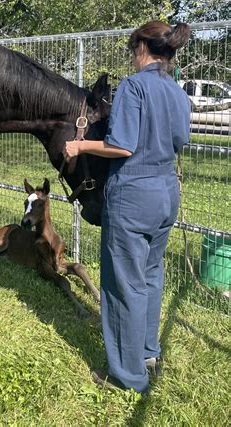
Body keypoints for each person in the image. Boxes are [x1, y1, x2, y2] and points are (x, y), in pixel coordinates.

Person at [63, 21, 191, 394]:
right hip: (167, 191)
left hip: (133, 193)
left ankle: (127, 375)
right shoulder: (177, 92)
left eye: (132, 49)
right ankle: (148, 352)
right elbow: (181, 139)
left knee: (123, 284)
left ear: (141, 48)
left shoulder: (134, 86)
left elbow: (122, 146)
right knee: (151, 274)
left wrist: (80, 146)